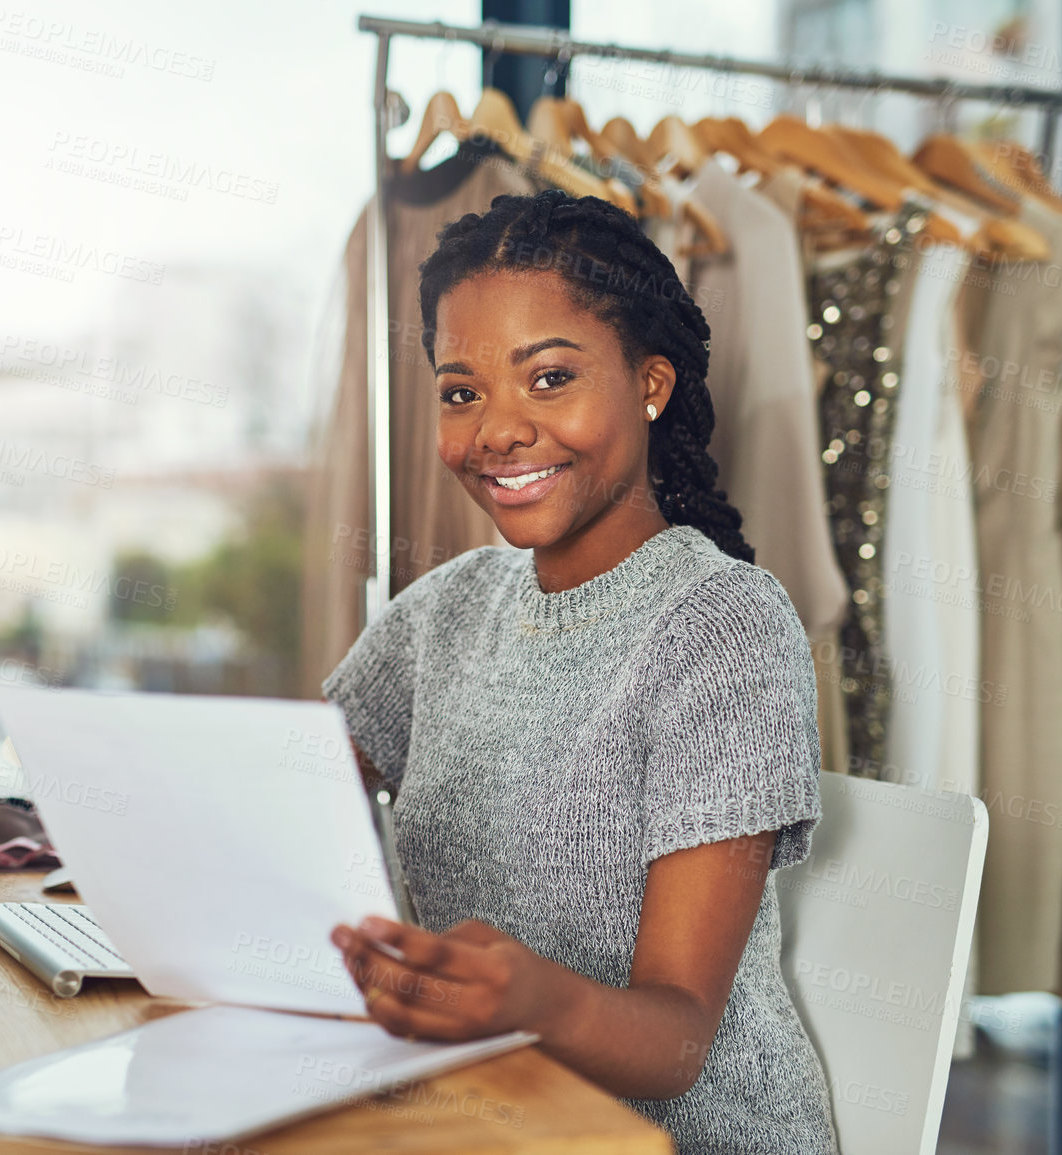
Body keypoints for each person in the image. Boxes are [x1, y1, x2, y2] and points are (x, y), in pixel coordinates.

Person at [325, 188, 836, 1154]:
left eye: (549, 378)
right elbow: (293, 792)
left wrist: (527, 996)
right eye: (461, 390)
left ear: (651, 383)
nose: (498, 430)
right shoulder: (451, 605)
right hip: (474, 1116)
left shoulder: (720, 627)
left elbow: (677, 1040)